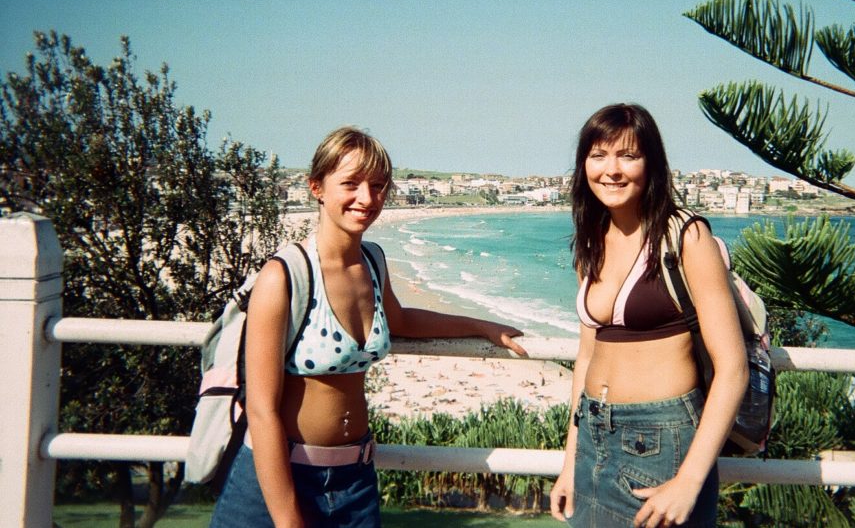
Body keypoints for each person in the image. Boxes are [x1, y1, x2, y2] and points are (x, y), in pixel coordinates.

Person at [210, 127, 527, 528]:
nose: (367, 199)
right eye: (351, 184)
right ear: (316, 187)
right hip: (279, 479)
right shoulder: (284, 277)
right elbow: (262, 409)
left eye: (378, 186)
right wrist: (289, 520)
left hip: (355, 481)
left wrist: (480, 324)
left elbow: (402, 320)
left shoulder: (373, 261)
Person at [549, 104, 747, 528]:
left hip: (663, 440)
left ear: (651, 163)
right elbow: (586, 359)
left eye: (629, 156)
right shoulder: (591, 243)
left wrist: (690, 480)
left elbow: (733, 368)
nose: (612, 170)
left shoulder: (686, 236)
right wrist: (570, 462)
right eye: (598, 155)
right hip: (594, 436)